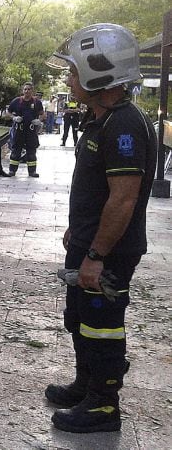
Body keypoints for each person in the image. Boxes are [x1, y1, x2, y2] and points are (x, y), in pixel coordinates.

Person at [45, 23, 156, 433]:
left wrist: (96, 254)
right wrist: (79, 231)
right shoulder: (102, 118)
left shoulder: (124, 124)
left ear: (100, 73)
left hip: (108, 251)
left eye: (74, 72)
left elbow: (123, 198)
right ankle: (86, 384)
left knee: (103, 324)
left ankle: (104, 405)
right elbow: (96, 189)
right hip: (90, 242)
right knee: (80, 318)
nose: (69, 79)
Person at [7, 82, 44, 177]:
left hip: (31, 130)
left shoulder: (37, 102)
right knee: (16, 151)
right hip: (19, 129)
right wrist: (14, 118)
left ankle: (32, 172)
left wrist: (39, 120)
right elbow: (8, 113)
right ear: (23, 90)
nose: (27, 91)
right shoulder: (17, 101)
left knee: (31, 151)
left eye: (29, 89)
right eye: (25, 89)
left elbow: (43, 114)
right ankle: (12, 171)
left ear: (32, 91)